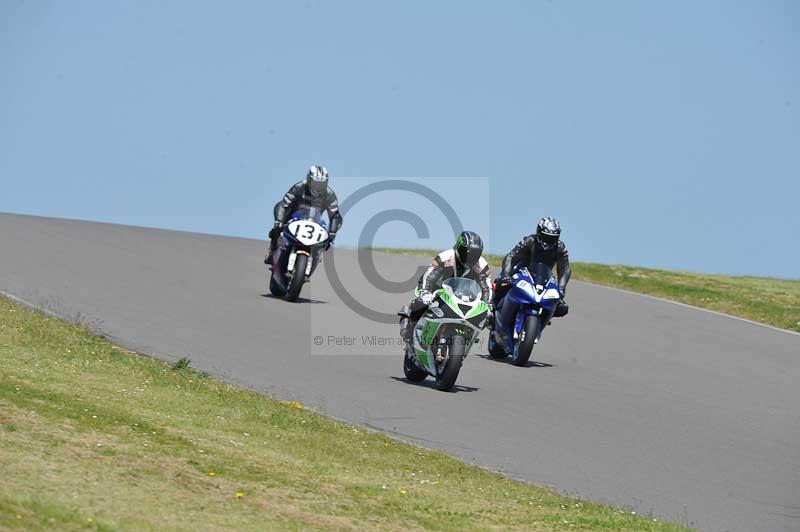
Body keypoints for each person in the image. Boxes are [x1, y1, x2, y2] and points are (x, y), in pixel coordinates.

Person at [398, 231, 493, 350]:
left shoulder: (481, 265)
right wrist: (425, 292)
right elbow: (430, 276)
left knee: (487, 316)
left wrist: (487, 304)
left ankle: (467, 337)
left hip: (462, 294)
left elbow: (486, 286)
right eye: (468, 254)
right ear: (459, 248)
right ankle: (409, 330)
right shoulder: (446, 257)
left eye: (475, 255)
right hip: (436, 290)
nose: (471, 258)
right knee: (422, 302)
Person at [265, 165, 343, 265]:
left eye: (321, 184)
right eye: (315, 183)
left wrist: (332, 234)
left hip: (314, 222)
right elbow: (284, 204)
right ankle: (272, 250)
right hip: (293, 217)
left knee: (324, 242)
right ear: (309, 180)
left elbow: (335, 216)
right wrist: (279, 221)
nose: (318, 187)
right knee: (277, 228)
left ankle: (315, 257)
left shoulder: (330, 194)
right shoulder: (299, 187)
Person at [495, 217, 571, 317]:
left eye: (552, 238)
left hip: (544, 278)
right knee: (501, 283)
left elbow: (565, 269)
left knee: (561, 308)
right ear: (539, 233)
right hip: (522, 272)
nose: (548, 241)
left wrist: (561, 288)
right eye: (546, 237)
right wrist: (506, 273)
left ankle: (541, 320)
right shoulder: (529, 240)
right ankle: (493, 309)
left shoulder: (560, 248)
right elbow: (511, 257)